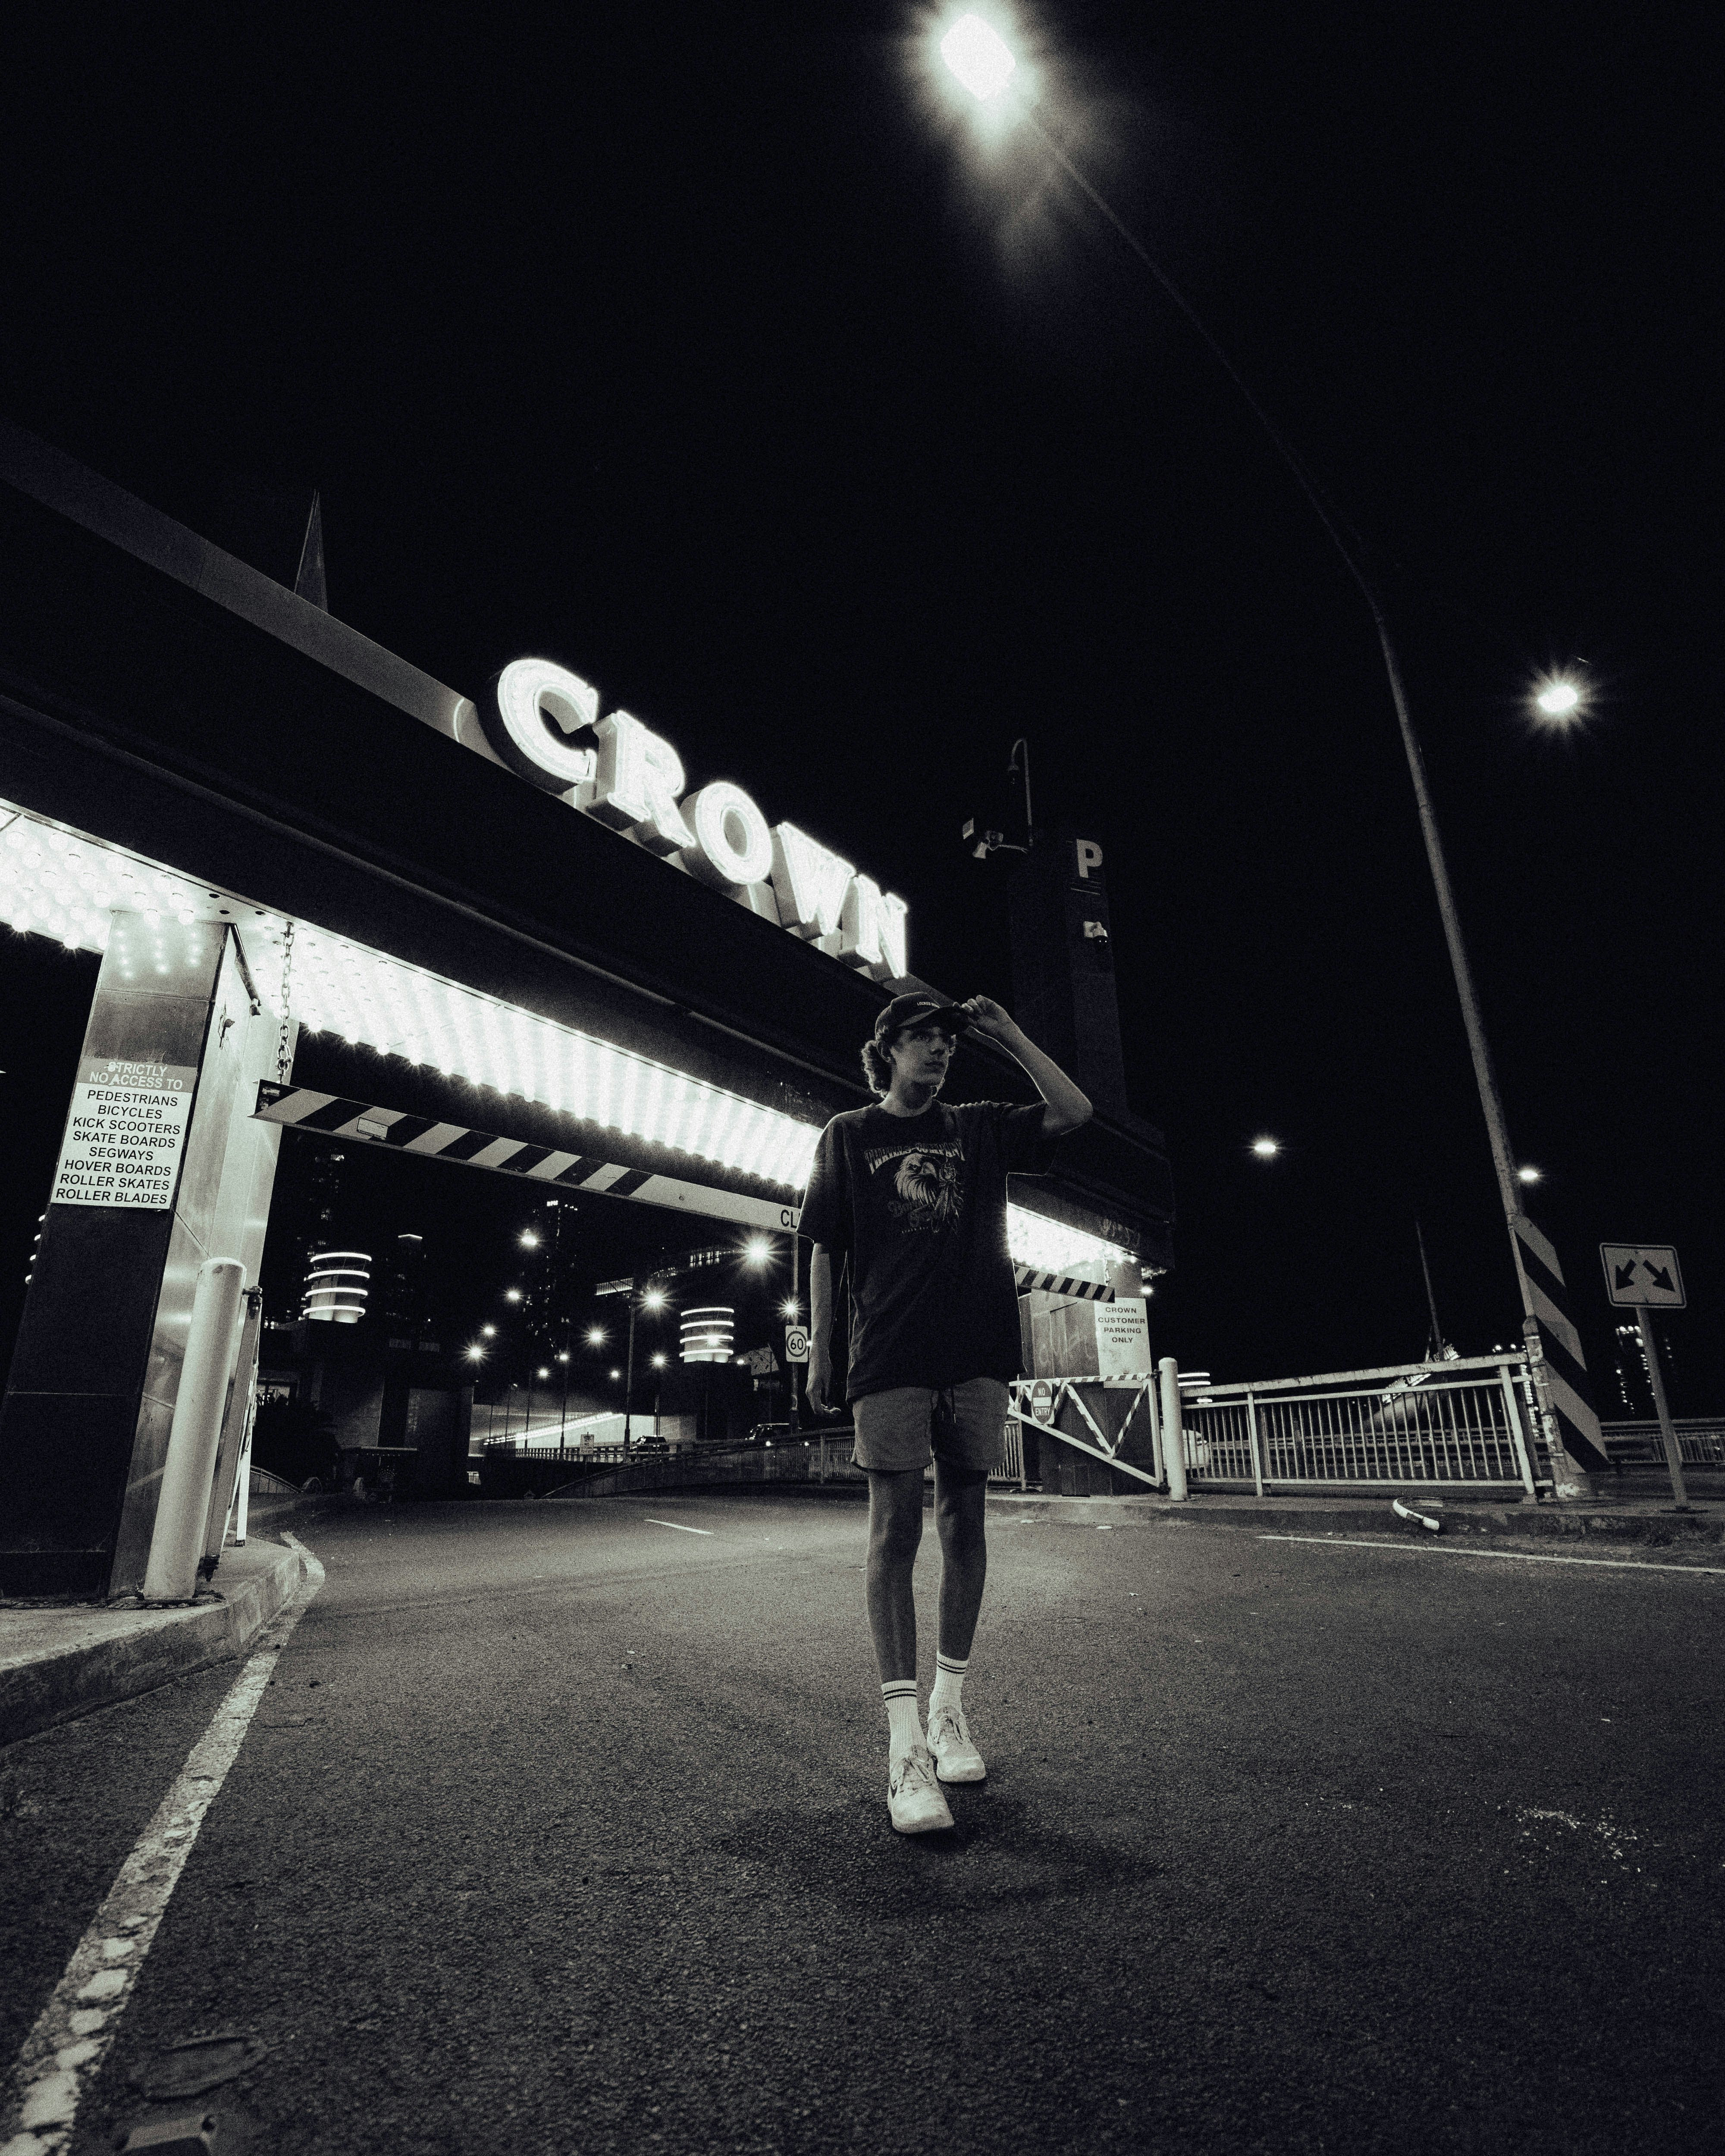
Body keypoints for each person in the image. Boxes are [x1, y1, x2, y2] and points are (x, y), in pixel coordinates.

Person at [801, 991, 1091, 1833]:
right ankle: (902, 1749)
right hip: (888, 1354)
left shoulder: (978, 1125)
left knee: (965, 1521)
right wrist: (823, 1347)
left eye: (944, 1044)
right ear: (886, 1050)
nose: (936, 1054)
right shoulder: (848, 1135)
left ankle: (947, 1708)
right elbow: (825, 1243)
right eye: (921, 1041)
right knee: (893, 1531)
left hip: (976, 1353)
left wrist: (1006, 1034)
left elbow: (1073, 1112)